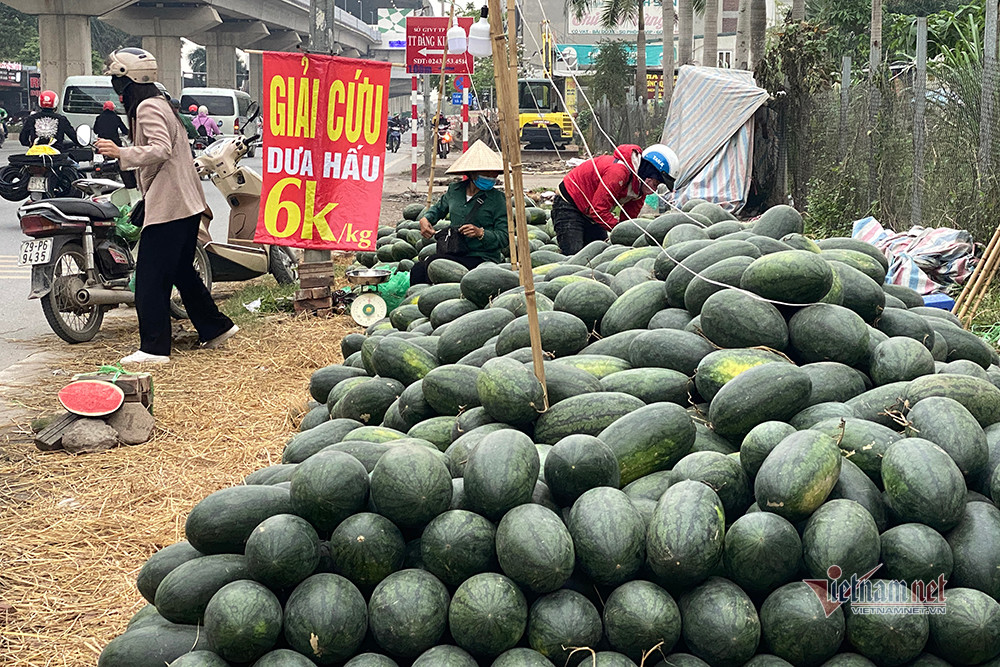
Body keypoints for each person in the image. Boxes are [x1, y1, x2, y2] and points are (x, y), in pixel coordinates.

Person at [96, 47, 237, 364]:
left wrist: (121, 153)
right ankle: (216, 328)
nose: (115, 89)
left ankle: (155, 348)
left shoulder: (147, 107)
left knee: (149, 278)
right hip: (183, 205)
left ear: (128, 81)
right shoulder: (160, 103)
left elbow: (159, 150)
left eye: (117, 81)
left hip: (172, 207)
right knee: (181, 272)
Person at [551, 144, 678, 256]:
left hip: (590, 212)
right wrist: (618, 229)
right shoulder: (619, 172)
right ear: (648, 176)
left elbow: (628, 219)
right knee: (573, 255)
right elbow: (598, 210)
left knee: (599, 255)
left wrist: (629, 237)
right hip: (569, 205)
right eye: (656, 184)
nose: (654, 190)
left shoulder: (639, 189)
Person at [412, 140, 507, 285]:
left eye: (494, 174)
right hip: (454, 251)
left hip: (482, 258)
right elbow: (438, 209)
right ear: (472, 173)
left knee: (433, 263)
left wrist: (481, 233)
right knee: (417, 269)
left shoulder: (498, 200)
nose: (492, 177)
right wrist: (425, 219)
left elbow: (505, 237)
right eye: (487, 172)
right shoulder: (454, 191)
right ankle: (417, 300)